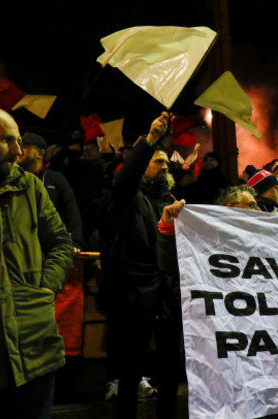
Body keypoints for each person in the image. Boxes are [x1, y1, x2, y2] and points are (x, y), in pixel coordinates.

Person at [0, 105, 75, 418]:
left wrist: (46, 289)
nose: (19, 151)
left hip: (34, 352)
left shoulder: (30, 187)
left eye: (19, 141)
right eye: (8, 141)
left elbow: (61, 242)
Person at [99, 112, 181, 419]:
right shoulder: (129, 198)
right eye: (158, 161)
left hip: (167, 294)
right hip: (135, 296)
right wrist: (150, 141)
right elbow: (125, 180)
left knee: (170, 366)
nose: (165, 166)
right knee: (131, 369)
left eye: (166, 163)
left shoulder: (171, 201)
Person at [17, 132, 84, 249]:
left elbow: (72, 211)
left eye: (25, 147)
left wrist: (76, 242)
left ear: (40, 153)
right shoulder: (14, 177)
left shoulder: (55, 178)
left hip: (48, 246)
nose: (20, 150)